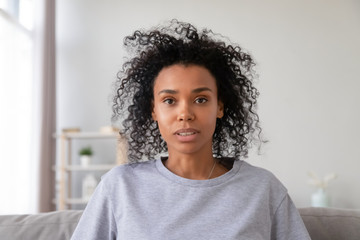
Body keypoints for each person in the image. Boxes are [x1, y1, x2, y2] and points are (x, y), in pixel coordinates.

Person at [71, 20, 310, 239]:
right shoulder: (120, 186)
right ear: (153, 110)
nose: (185, 113)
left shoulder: (262, 188)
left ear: (220, 107)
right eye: (169, 101)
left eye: (201, 99)